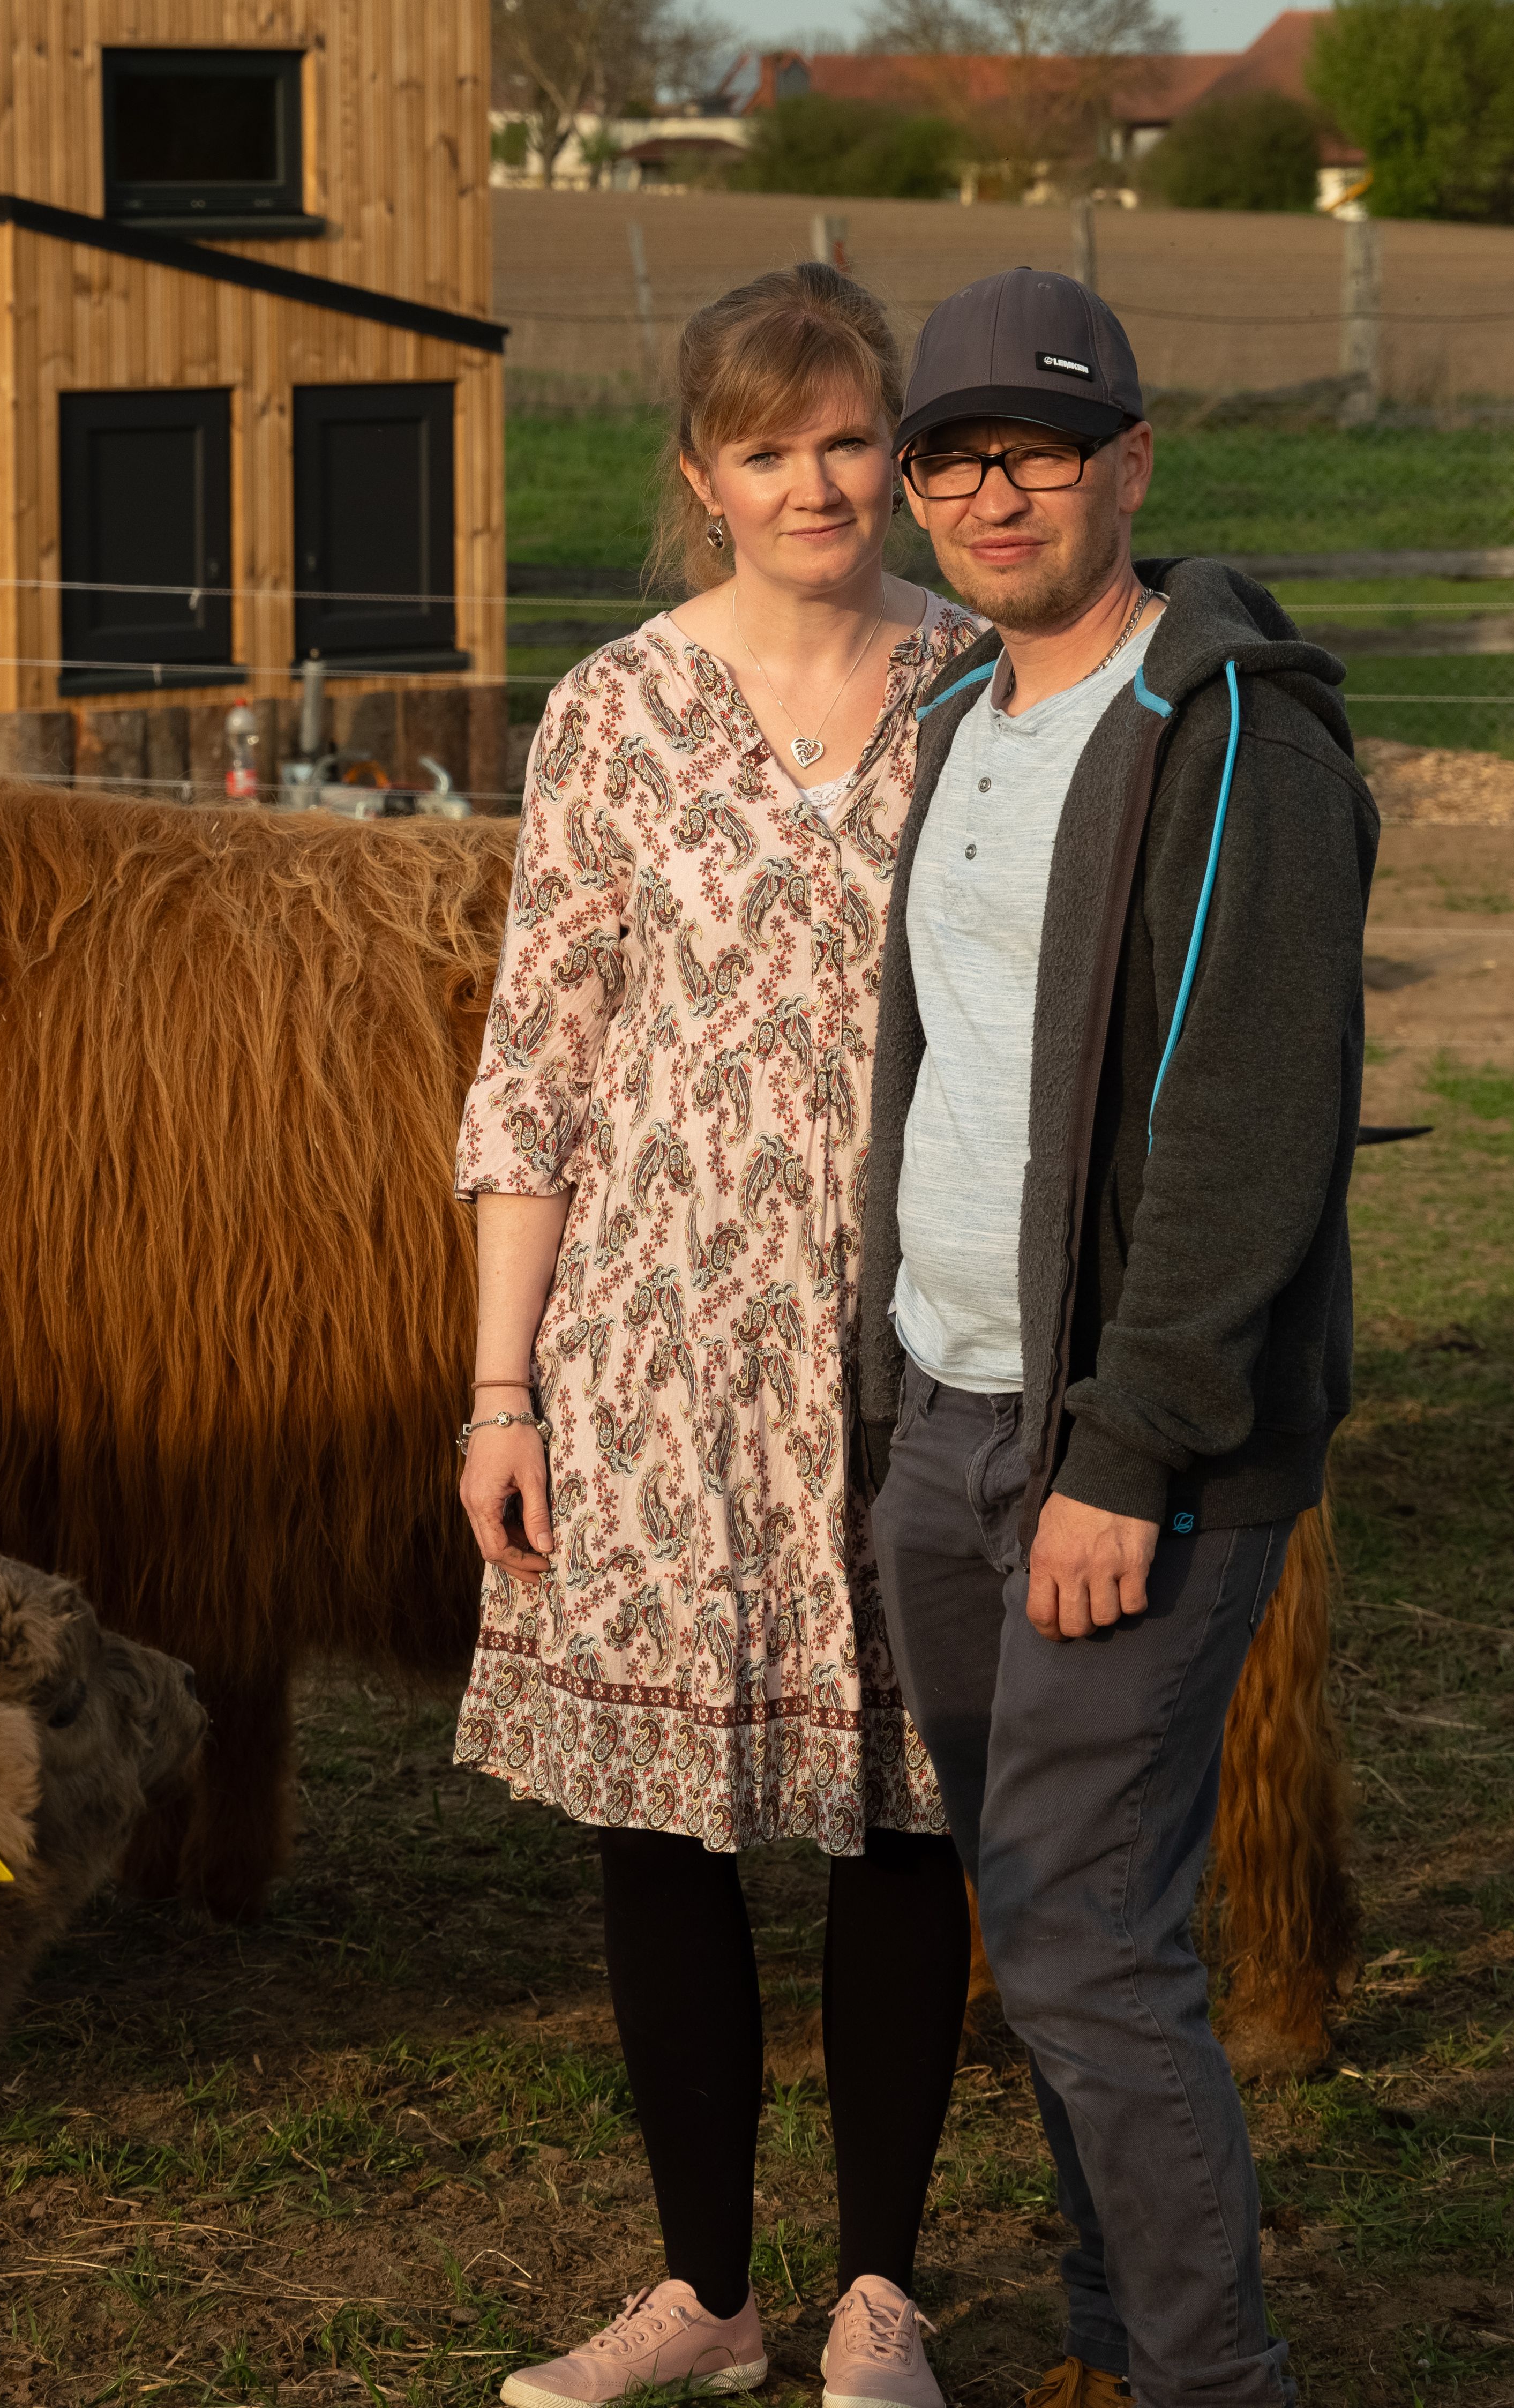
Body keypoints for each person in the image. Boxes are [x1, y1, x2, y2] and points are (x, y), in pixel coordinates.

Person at [454, 261, 987, 2408]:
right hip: (648, 1350)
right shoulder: (607, 711)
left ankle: (878, 2294)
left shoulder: (981, 689)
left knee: (902, 1807)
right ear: (699, 478)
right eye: (765, 449)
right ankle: (701, 2296)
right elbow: (536, 1061)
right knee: (658, 1824)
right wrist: (499, 1388)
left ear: (899, 453)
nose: (814, 483)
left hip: (910, 1342)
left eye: (847, 438)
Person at [853, 268, 1374, 2408]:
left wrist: (1127, 1446)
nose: (998, 493)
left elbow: (1250, 1128)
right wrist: (899, 1400)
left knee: (1080, 1940)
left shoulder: (1228, 728)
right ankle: (1101, 2335)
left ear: (1131, 467)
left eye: (1042, 451)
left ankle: (1202, 2378)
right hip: (941, 1421)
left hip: (1116, 1451)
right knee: (1044, 1924)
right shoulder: (957, 719)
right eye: (957, 455)